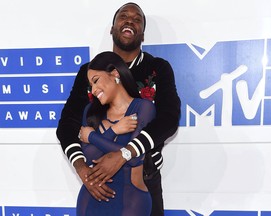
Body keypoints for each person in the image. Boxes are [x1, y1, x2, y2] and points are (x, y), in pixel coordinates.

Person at [56, 2, 181, 216]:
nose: (130, 20)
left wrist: (126, 153)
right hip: (96, 183)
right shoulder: (89, 73)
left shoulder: (158, 68)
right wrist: (82, 170)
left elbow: (169, 119)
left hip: (142, 181)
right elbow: (67, 124)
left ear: (143, 34)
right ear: (112, 29)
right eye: (123, 16)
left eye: (137, 19)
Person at [77, 51, 155, 215]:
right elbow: (90, 156)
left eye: (96, 81)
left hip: (131, 200)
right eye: (91, 85)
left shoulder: (143, 108)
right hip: (90, 199)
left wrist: (92, 136)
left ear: (115, 73)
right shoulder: (90, 111)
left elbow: (133, 158)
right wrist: (114, 130)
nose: (94, 89)